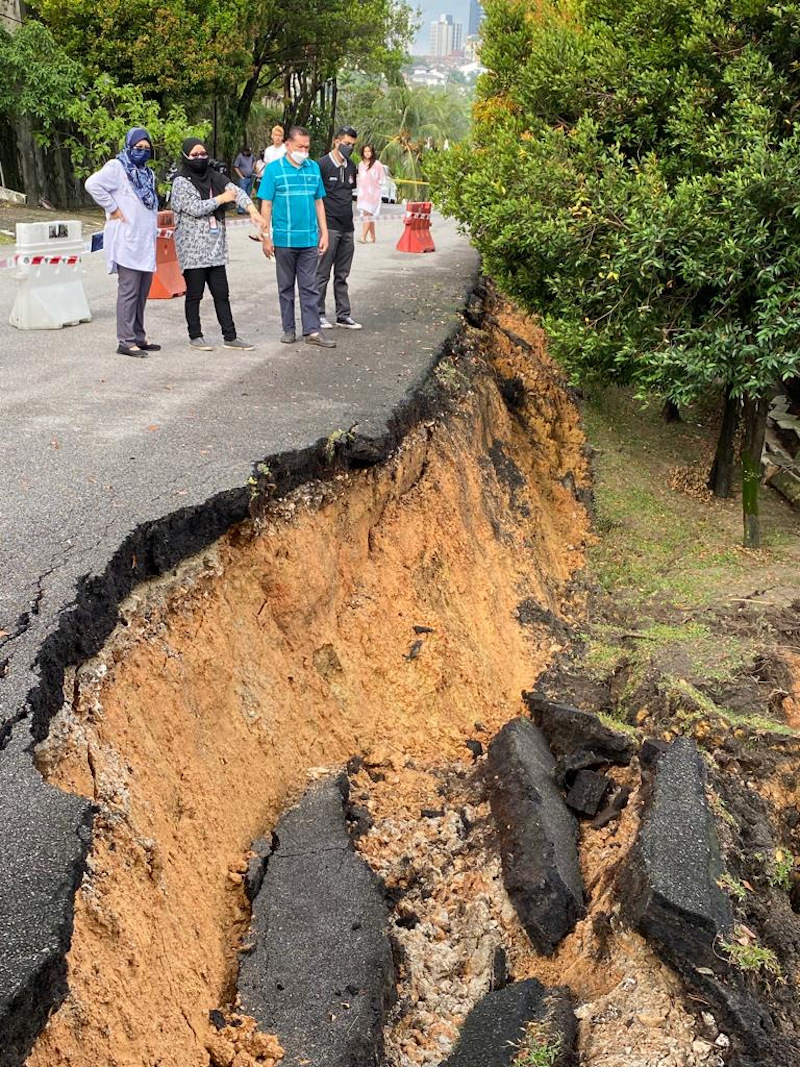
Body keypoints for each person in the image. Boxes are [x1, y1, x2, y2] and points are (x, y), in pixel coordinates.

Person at [171, 137, 261, 351]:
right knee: (195, 294)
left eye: (203, 154)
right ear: (185, 156)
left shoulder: (215, 177)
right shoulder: (181, 181)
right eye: (194, 155)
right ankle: (195, 335)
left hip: (215, 249)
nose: (200, 158)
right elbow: (194, 208)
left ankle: (230, 336)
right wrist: (221, 199)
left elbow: (236, 191)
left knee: (222, 293)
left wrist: (252, 209)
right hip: (193, 251)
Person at [258, 126, 336, 349]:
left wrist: (324, 232)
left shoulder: (313, 169)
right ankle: (289, 329)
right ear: (288, 145)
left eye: (307, 147)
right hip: (284, 240)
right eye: (300, 146)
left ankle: (312, 330)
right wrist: (266, 237)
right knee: (285, 287)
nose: (304, 151)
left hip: (309, 239)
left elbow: (319, 201)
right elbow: (266, 204)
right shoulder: (273, 170)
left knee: (310, 286)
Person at [85, 127, 159, 358]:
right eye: (139, 147)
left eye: (147, 148)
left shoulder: (147, 173)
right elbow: (92, 184)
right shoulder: (117, 167)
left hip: (144, 240)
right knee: (129, 290)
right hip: (127, 240)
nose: (143, 152)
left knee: (142, 291)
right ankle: (125, 341)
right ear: (129, 146)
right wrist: (113, 208)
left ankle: (139, 336)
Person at [317, 125, 361, 331]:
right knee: (322, 273)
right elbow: (316, 198)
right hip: (329, 227)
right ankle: (318, 314)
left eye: (352, 145)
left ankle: (343, 315)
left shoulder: (352, 166)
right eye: (346, 144)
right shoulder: (322, 165)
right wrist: (321, 228)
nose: (349, 148)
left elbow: (349, 194)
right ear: (336, 142)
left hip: (347, 228)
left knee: (342, 275)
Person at [356, 144, 385, 244]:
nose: (367, 153)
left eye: (369, 151)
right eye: (365, 151)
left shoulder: (377, 164)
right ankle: (373, 236)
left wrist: (375, 190)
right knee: (368, 214)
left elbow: (381, 180)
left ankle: (363, 236)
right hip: (363, 194)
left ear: (372, 152)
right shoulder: (360, 164)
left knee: (367, 214)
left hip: (373, 194)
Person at [232, 146, 256, 213]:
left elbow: (254, 160)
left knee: (248, 194)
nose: (249, 153)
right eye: (247, 152)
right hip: (243, 178)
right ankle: (240, 209)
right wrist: (241, 176)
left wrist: (252, 168)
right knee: (242, 194)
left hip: (250, 177)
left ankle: (247, 209)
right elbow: (235, 167)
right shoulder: (240, 157)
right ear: (244, 151)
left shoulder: (251, 156)